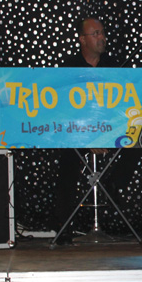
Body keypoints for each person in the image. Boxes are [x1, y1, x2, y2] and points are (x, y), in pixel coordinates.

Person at [53, 17, 118, 245]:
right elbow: (63, 110)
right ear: (82, 39)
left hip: (109, 130)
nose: (102, 37)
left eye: (102, 32)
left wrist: (105, 134)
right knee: (67, 158)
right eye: (96, 33)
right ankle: (63, 226)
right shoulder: (68, 67)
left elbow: (121, 107)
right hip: (78, 132)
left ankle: (112, 192)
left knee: (139, 144)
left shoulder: (114, 66)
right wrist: (88, 136)